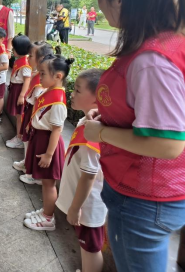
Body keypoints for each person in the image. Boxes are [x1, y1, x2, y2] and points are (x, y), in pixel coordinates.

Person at [83, 0, 185, 272]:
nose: (99, 7)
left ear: (119, 0)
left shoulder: (152, 61)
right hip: (148, 195)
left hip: (144, 200)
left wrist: (101, 132)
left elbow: (167, 143)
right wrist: (110, 117)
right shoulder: (161, 44)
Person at [56, 69, 107, 272]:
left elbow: (88, 176)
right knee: (85, 245)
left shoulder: (95, 131)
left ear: (98, 98)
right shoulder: (87, 122)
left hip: (89, 206)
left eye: (77, 90)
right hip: (84, 204)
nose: (72, 93)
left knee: (90, 248)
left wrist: (75, 208)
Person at [23, 54, 73, 232]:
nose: (39, 76)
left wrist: (49, 154)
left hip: (48, 144)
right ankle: (46, 210)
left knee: (48, 183)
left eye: (43, 73)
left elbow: (57, 130)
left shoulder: (58, 100)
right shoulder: (50, 91)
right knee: (45, 182)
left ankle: (48, 218)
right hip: (41, 139)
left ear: (58, 76)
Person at [14, 41, 53, 186]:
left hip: (35, 114)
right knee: (26, 140)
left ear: (41, 59)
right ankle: (27, 163)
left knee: (30, 141)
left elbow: (39, 101)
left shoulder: (43, 81)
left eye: (31, 56)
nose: (28, 58)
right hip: (31, 110)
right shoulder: (36, 74)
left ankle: (32, 172)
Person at [5, 35, 32, 147]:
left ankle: (19, 138)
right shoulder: (20, 60)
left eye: (14, 48)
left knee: (20, 115)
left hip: (19, 90)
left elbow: (27, 80)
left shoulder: (25, 63)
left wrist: (21, 95)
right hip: (15, 89)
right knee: (18, 115)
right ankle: (18, 136)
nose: (12, 50)